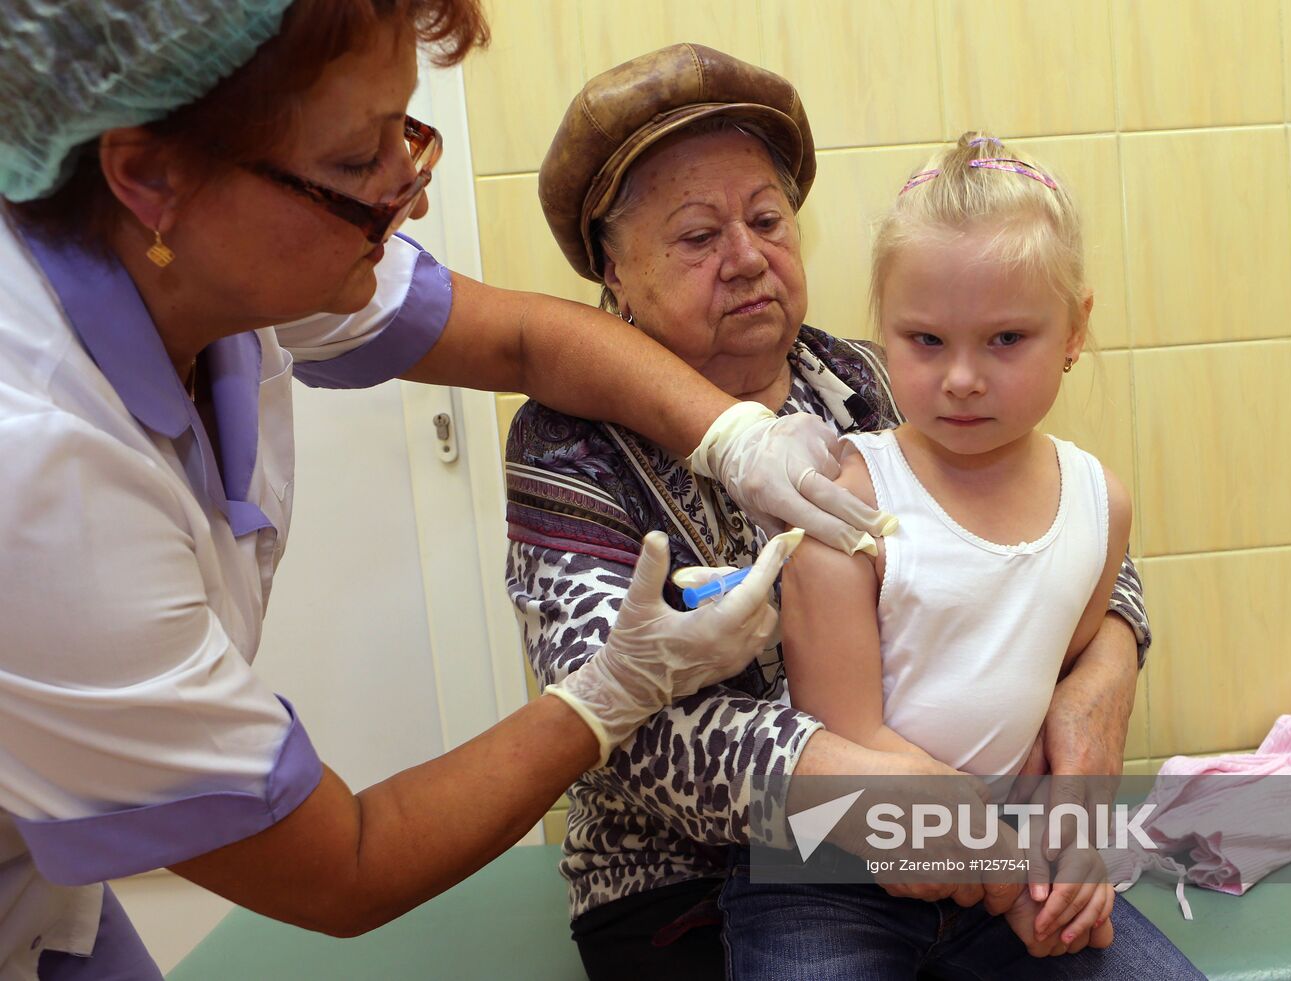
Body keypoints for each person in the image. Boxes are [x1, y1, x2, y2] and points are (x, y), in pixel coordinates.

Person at [0, 4, 892, 978]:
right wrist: (949, 826)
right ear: (149, 177)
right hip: (712, 883)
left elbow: (1025, 534)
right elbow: (345, 865)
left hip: (891, 827)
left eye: (766, 219)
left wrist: (1090, 662)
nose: (408, 198)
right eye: (354, 161)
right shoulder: (40, 471)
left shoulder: (861, 379)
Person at [507, 44, 1161, 980]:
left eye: (768, 219)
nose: (746, 259)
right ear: (612, 270)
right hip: (691, 883)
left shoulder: (872, 376)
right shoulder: (567, 445)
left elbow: (1069, 553)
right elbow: (622, 729)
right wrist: (924, 814)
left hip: (981, 841)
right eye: (697, 237)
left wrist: (1100, 682)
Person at [720, 133, 1206, 979]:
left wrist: (1072, 852)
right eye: (926, 341)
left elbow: (1059, 689)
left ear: (1076, 328)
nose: (963, 379)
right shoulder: (846, 494)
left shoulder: (1100, 506)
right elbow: (848, 740)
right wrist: (1013, 876)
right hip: (831, 874)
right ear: (884, 331)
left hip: (1004, 861)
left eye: (1007, 338)